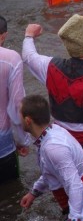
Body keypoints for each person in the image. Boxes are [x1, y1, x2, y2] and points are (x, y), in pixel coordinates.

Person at [22, 14, 83, 173]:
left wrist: (29, 36)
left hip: (61, 144)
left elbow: (29, 56)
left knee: (65, 186)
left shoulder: (50, 67)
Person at [19, 95, 83, 221]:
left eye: (18, 115)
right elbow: (51, 170)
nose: (17, 119)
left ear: (28, 120)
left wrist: (74, 218)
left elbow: (75, 185)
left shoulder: (53, 147)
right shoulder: (52, 133)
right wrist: (34, 192)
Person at [0, 15, 31, 183]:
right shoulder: (11, 58)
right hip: (2, 142)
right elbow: (17, 104)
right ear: (3, 35)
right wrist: (22, 141)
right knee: (11, 193)